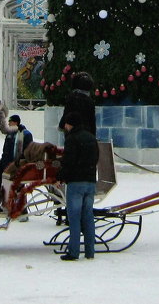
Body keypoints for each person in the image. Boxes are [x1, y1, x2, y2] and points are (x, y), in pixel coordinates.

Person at [59, 111, 99, 260]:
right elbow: (96, 157)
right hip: (90, 182)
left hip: (76, 182)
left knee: (74, 218)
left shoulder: (72, 139)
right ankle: (90, 251)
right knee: (88, 216)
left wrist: (61, 177)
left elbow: (68, 161)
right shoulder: (91, 137)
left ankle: (73, 252)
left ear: (70, 124)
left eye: (66, 124)